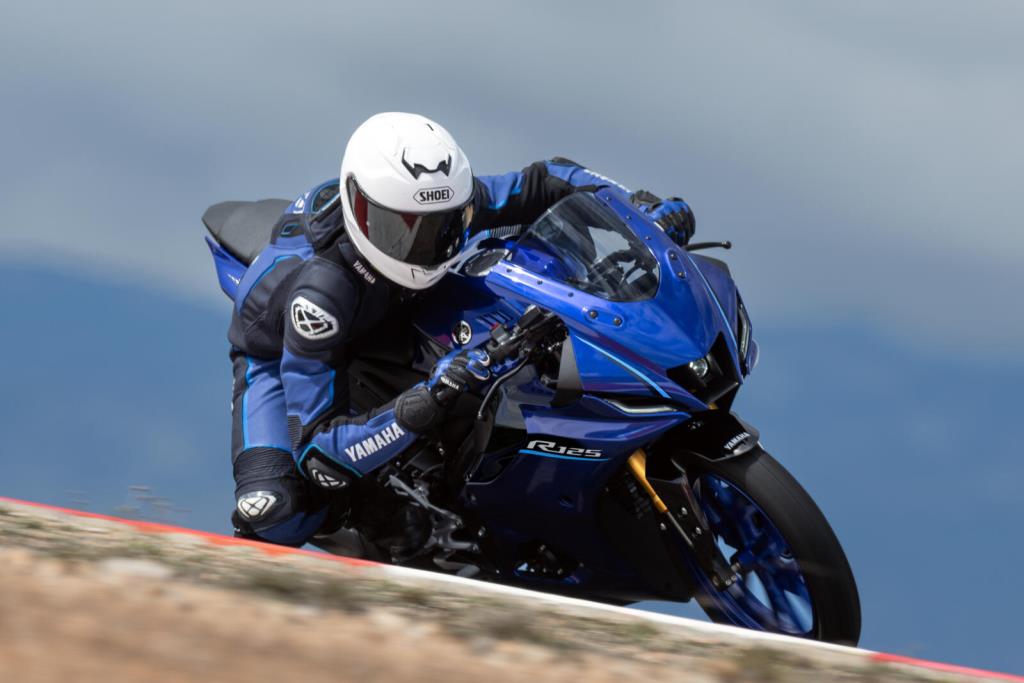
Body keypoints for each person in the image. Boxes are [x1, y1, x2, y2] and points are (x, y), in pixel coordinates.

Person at [227, 112, 695, 548]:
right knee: (277, 511)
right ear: (359, 209)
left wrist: (638, 208)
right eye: (400, 230)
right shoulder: (319, 298)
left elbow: (549, 179)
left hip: (399, 302)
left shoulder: (444, 202)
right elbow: (319, 450)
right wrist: (425, 400)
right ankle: (372, 513)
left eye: (442, 226)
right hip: (278, 356)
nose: (424, 244)